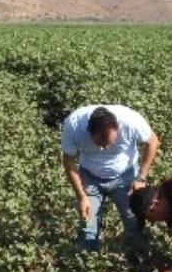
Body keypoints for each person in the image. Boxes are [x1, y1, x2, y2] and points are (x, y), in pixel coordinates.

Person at [60, 105, 159, 252]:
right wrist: (81, 196)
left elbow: (153, 141)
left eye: (109, 143)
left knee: (134, 221)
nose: (104, 149)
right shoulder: (74, 125)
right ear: (89, 132)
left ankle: (138, 262)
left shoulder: (130, 121)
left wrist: (141, 177)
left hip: (126, 176)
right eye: (100, 144)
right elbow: (69, 162)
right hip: (89, 176)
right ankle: (87, 264)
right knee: (88, 225)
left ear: (117, 129)